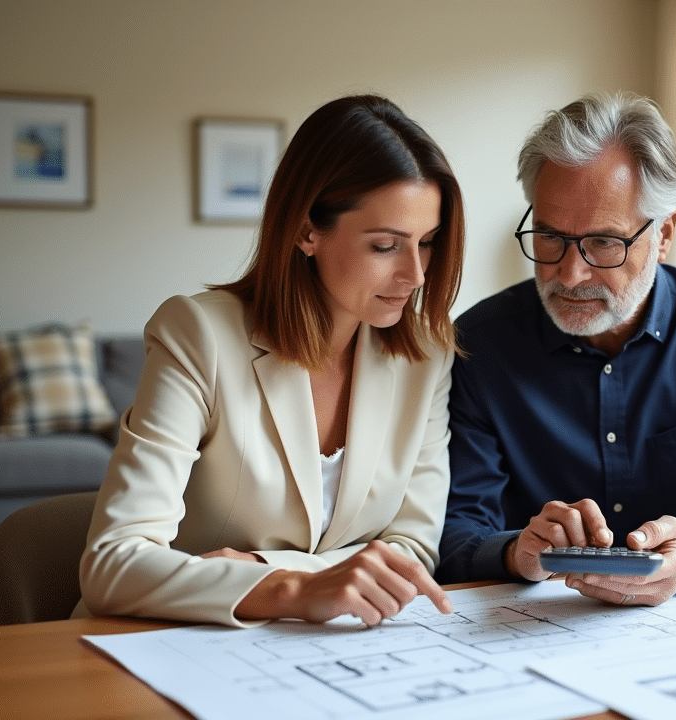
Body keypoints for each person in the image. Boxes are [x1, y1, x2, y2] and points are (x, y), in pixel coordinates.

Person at [77, 95, 463, 627]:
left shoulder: (426, 355)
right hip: (166, 642)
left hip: (327, 650)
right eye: (384, 246)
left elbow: (412, 554)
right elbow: (112, 565)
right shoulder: (197, 335)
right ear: (307, 231)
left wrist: (267, 568)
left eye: (427, 243)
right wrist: (292, 589)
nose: (416, 276)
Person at [437, 91, 676, 606]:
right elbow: (453, 525)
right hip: (527, 620)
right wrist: (516, 553)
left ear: (663, 234)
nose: (570, 274)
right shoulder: (480, 342)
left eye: (604, 243)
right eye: (550, 237)